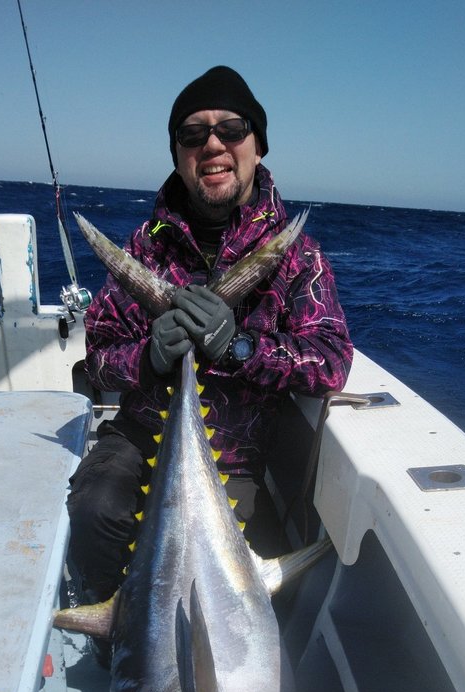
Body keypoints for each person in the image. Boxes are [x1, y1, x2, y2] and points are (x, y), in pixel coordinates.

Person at [67, 65, 353, 603]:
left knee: (234, 593)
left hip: (236, 454)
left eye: (231, 129)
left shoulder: (299, 256)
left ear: (258, 145)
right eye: (192, 134)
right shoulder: (144, 247)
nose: (212, 144)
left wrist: (238, 347)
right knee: (94, 508)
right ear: (177, 153)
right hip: (137, 434)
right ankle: (116, 638)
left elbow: (331, 361)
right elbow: (99, 355)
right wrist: (148, 357)